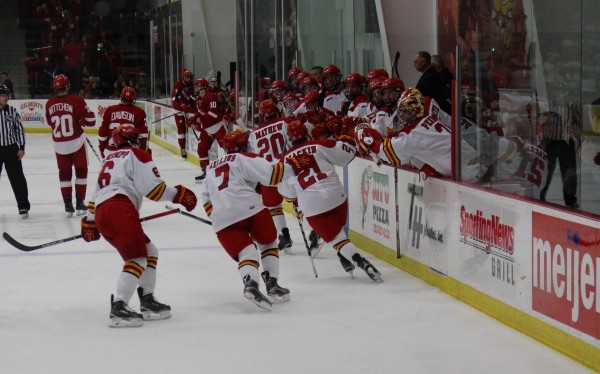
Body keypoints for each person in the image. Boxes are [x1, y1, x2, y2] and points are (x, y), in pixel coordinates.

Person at [80, 125, 198, 327]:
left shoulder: (110, 158)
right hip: (119, 207)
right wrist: (178, 194)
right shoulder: (137, 153)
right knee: (137, 258)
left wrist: (90, 220)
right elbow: (154, 190)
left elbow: (96, 194)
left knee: (150, 252)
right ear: (132, 139)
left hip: (103, 210)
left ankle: (148, 300)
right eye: (137, 137)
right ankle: (119, 306)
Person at [278, 120, 383, 282]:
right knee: (338, 231)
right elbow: (347, 154)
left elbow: (288, 193)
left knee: (337, 239)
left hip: (315, 207)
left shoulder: (285, 160)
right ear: (306, 132)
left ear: (289, 138)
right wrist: (346, 138)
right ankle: (343, 257)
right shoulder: (321, 145)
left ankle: (362, 262)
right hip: (338, 198)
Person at [201, 130, 291, 310]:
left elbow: (207, 201)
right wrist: (294, 165)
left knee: (247, 253)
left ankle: (250, 284)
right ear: (243, 145)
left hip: (222, 220)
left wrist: (221, 217)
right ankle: (272, 284)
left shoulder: (210, 168)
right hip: (249, 209)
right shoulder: (244, 158)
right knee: (268, 243)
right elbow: (273, 175)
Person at [45, 74, 96, 217]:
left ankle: (67, 203)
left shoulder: (49, 103)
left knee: (64, 174)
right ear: (67, 85)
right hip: (76, 143)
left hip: (59, 145)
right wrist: (80, 121)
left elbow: (50, 122)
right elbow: (91, 120)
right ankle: (80, 201)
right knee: (81, 172)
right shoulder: (76, 100)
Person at [249, 99, 294, 252]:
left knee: (274, 207)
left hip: (267, 175)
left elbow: (254, 158)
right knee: (299, 201)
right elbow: (292, 145)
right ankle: (315, 232)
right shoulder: (284, 123)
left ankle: (284, 234)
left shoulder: (253, 135)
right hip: (286, 169)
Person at [538, 83, 580, 208]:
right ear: (553, 92)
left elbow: (577, 125)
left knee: (569, 173)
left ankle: (570, 200)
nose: (560, 94)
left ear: (566, 93)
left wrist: (579, 140)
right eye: (557, 91)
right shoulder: (547, 106)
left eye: (562, 91)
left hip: (567, 143)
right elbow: (539, 124)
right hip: (549, 142)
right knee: (546, 172)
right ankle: (540, 197)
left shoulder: (571, 107)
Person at [188, 78, 228, 182]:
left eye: (198, 86)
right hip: (207, 128)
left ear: (204, 87)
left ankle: (231, 170)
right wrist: (192, 119)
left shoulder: (211, 97)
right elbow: (200, 112)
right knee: (201, 148)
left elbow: (213, 115)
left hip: (217, 126)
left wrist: (199, 120)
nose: (196, 88)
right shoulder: (198, 99)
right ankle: (205, 171)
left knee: (227, 147)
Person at [0, 84, 30, 218]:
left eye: (6, 95)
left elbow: (19, 130)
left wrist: (21, 147)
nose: (6, 97)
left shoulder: (12, 111)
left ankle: (23, 206)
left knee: (18, 179)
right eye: (2, 95)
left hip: (11, 149)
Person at [98, 87, 149, 158]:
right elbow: (143, 136)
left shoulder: (109, 110)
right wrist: (142, 152)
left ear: (121, 97)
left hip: (110, 151)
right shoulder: (139, 112)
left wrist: (101, 149)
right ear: (133, 99)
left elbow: (102, 134)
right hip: (130, 153)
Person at [171, 69, 195, 158]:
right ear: (184, 77)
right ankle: (182, 148)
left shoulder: (192, 87)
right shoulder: (178, 85)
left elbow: (192, 98)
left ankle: (192, 147)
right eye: (187, 77)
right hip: (178, 111)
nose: (189, 79)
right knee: (181, 130)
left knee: (192, 126)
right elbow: (176, 98)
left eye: (190, 78)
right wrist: (182, 105)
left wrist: (192, 107)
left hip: (188, 110)